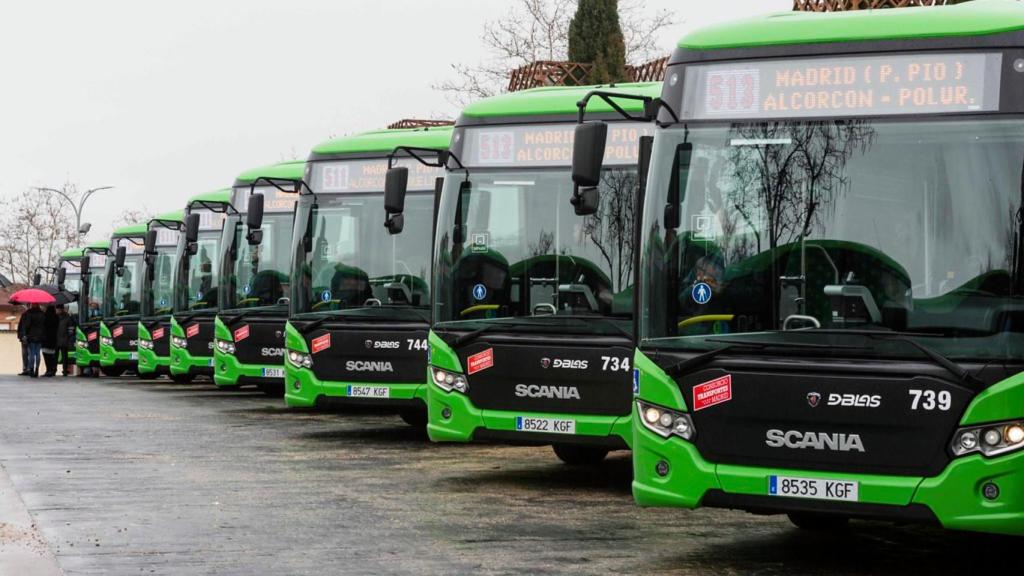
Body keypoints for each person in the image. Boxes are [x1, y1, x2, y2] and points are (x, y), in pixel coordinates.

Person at [20, 304, 45, 378]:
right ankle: (37, 369)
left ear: (32, 305)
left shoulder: (29, 314)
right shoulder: (42, 314)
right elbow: (44, 325)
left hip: (31, 336)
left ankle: (31, 369)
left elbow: (27, 325)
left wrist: (24, 334)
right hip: (40, 336)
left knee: (31, 353)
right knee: (38, 353)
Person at [56, 305, 73, 376]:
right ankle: (54, 369)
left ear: (62, 309)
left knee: (64, 356)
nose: (57, 311)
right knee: (56, 356)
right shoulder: (56, 317)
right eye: (57, 309)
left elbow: (71, 329)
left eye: (58, 309)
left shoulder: (67, 318)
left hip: (63, 339)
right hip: (58, 339)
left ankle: (65, 370)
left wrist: (68, 337)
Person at [41, 305, 59, 377]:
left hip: (45, 339)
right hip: (53, 339)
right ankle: (51, 370)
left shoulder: (44, 317)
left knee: (46, 356)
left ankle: (48, 370)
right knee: (52, 356)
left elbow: (42, 327)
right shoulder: (56, 317)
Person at [17, 306, 30, 376]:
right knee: (27, 353)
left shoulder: (25, 314)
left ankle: (27, 369)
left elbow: (20, 326)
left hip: (27, 337)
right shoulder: (24, 314)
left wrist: (20, 335)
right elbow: (20, 326)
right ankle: (28, 369)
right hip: (27, 337)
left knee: (26, 353)